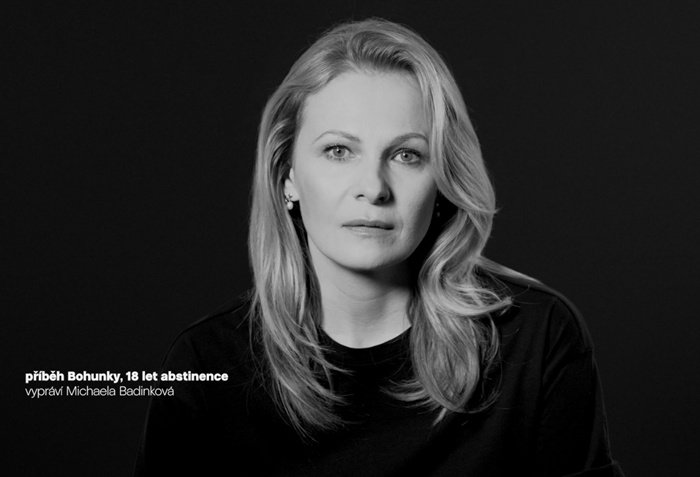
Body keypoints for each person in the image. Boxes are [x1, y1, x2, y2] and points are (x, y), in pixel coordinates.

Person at [134, 18, 623, 476]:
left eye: (407, 155)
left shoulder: (537, 340)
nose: (373, 187)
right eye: (338, 151)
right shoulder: (205, 365)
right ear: (287, 177)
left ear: (442, 182)